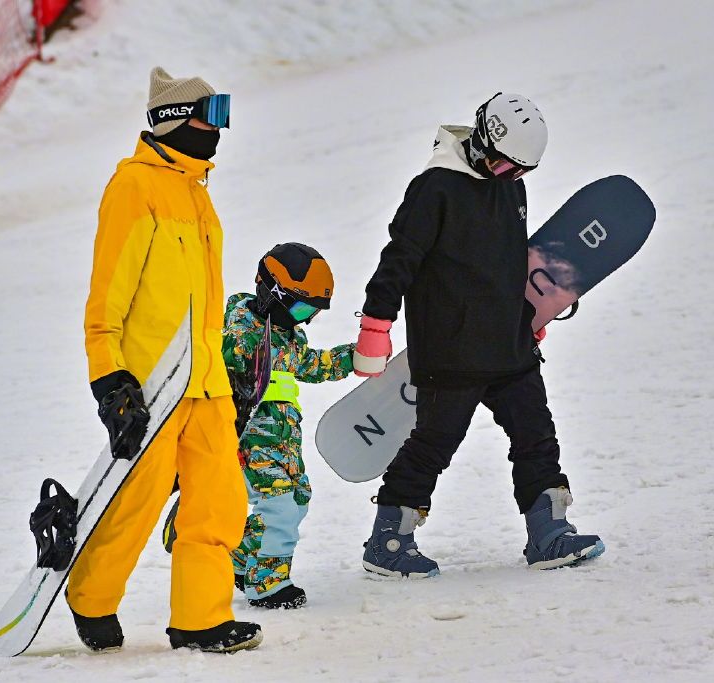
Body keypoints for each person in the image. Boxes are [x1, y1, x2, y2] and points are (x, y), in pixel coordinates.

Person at [353, 93, 605, 578]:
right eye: (505, 164)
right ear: (483, 138)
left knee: (536, 433)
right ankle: (387, 540)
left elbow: (510, 261)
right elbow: (398, 260)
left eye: (522, 171)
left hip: (509, 345)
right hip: (450, 350)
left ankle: (549, 533)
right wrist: (374, 327)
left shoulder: (510, 187)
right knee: (434, 443)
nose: (511, 176)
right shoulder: (434, 189)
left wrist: (532, 312)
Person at [68, 66, 261, 653]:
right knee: (137, 499)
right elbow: (108, 300)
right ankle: (90, 597)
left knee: (219, 503)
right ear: (174, 121)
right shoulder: (134, 188)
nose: (219, 131)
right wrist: (110, 378)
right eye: (212, 116)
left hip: (204, 381)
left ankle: (200, 620)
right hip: (153, 384)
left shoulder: (197, 193)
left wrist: (223, 366)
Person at [163, 243, 356, 609]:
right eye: (300, 308)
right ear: (272, 293)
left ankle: (238, 559)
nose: (303, 320)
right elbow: (221, 368)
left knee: (297, 502)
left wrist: (353, 357)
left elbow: (309, 365)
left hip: (284, 438)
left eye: (311, 313)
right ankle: (268, 583)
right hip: (250, 437)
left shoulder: (285, 333)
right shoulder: (238, 334)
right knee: (280, 507)